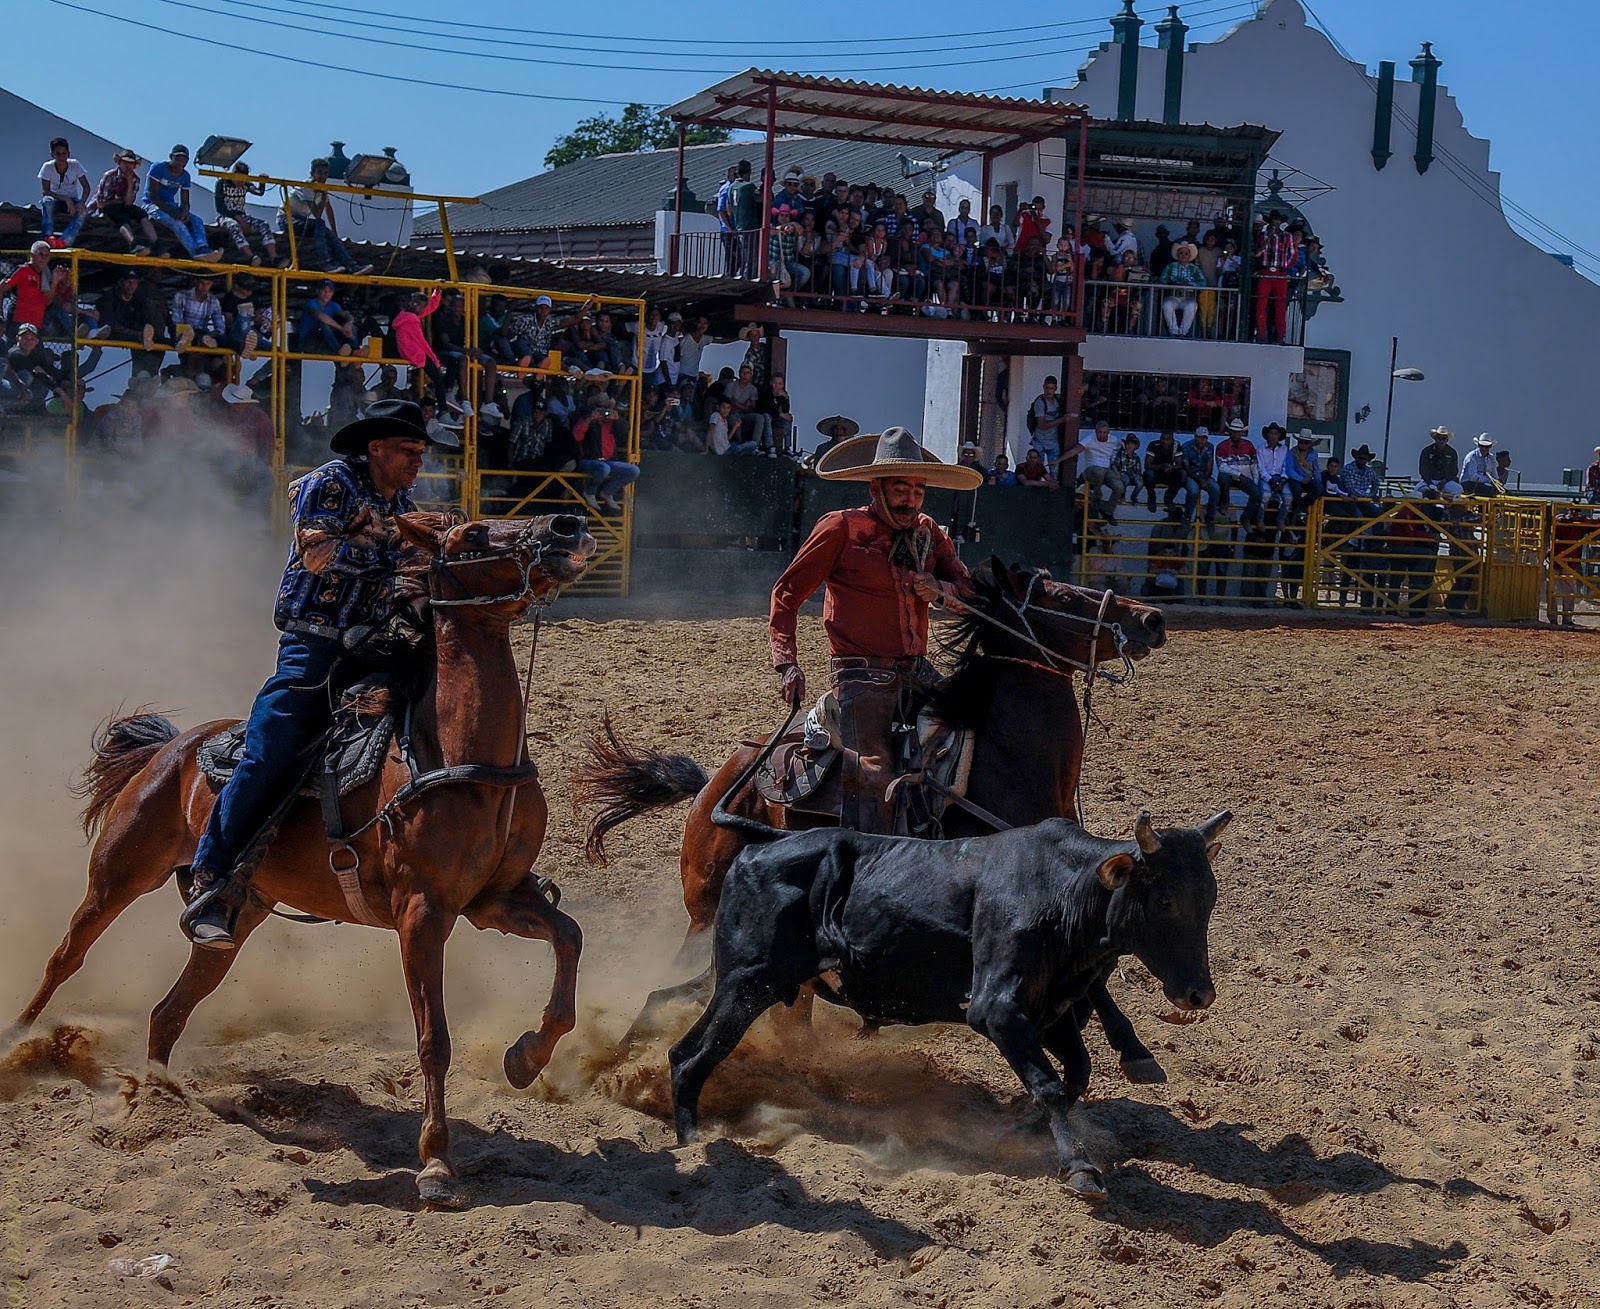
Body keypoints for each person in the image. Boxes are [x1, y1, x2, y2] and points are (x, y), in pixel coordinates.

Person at [180, 400, 459, 949]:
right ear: (376, 446)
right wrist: (397, 560)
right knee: (272, 746)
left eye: (421, 453)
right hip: (315, 641)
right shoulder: (328, 485)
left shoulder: (398, 498)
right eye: (408, 451)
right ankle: (209, 877)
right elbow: (319, 555)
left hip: (373, 641)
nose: (417, 462)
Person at [769, 427, 980, 833]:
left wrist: (941, 590)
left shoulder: (929, 533)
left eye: (918, 491)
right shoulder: (841, 528)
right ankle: (869, 868)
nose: (911, 500)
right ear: (875, 487)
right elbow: (787, 593)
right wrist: (787, 664)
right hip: (860, 677)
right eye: (901, 489)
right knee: (876, 771)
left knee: (977, 732)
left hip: (917, 672)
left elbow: (968, 592)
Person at [282, 158, 373, 275]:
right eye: (319, 173)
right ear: (312, 173)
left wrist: (334, 233)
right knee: (320, 224)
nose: (322, 176)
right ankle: (325, 263)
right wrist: (323, 195)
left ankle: (352, 266)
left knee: (327, 232)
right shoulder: (307, 187)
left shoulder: (320, 189)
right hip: (287, 220)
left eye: (325, 173)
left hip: (302, 221)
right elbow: (318, 215)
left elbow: (329, 210)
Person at [144, 145, 220, 260]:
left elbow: (185, 201)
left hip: (171, 206)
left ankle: (202, 247)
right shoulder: (158, 168)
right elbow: (152, 195)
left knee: (197, 220)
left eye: (184, 158)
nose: (181, 161)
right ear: (171, 157)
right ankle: (194, 252)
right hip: (152, 206)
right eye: (178, 157)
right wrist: (173, 213)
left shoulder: (185, 176)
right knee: (177, 223)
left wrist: (184, 213)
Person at [572, 393, 639, 511]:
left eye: (606, 407)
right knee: (604, 468)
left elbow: (625, 430)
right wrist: (589, 419)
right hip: (588, 460)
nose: (604, 411)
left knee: (634, 470)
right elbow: (576, 436)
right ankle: (590, 492)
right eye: (600, 407)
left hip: (608, 461)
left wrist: (617, 419)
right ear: (594, 407)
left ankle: (608, 492)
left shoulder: (612, 422)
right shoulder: (586, 419)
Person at [89, 148, 158, 254]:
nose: (127, 166)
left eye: (130, 163)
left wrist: (129, 183)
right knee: (121, 217)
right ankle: (133, 243)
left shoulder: (135, 179)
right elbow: (101, 203)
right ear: (119, 163)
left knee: (141, 214)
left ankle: (156, 244)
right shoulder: (109, 176)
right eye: (125, 162)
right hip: (106, 207)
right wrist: (119, 201)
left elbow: (128, 203)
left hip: (122, 205)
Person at [214, 161, 280, 265]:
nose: (241, 182)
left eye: (244, 179)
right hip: (225, 216)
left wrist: (262, 182)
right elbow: (220, 207)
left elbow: (259, 192)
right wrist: (236, 217)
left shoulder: (247, 185)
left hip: (242, 216)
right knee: (234, 225)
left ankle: (274, 257)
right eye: (238, 178)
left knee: (264, 224)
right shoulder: (222, 183)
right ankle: (251, 256)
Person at [392, 287, 447, 403]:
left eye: (423, 306)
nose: (422, 309)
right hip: (414, 353)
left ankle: (442, 404)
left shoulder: (405, 315)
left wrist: (437, 293)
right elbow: (421, 341)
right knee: (438, 379)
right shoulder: (412, 319)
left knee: (437, 378)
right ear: (412, 303)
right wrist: (434, 359)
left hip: (406, 350)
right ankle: (443, 409)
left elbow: (429, 309)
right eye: (420, 305)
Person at [1061, 421, 1123, 522]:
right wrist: (1058, 460)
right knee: (1098, 471)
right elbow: (1074, 451)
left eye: (1105, 432)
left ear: (1108, 432)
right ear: (1095, 432)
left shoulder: (1115, 440)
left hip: (1107, 469)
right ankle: (1097, 495)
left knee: (1119, 487)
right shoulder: (1089, 439)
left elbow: (1122, 452)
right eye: (1100, 432)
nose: (1102, 435)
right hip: (1091, 469)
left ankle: (1109, 513)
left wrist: (1117, 469)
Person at [1253, 210, 1299, 343]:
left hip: (1280, 273)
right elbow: (1257, 253)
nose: (1276, 222)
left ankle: (1280, 335)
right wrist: (1267, 240)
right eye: (1274, 220)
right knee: (1261, 304)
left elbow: (1293, 254)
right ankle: (1262, 334)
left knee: (1280, 305)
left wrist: (1286, 267)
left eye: (1278, 220)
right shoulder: (1263, 235)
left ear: (1281, 222)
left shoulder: (1287, 237)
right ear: (1270, 221)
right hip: (1266, 271)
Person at [38, 137, 91, 247]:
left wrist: (81, 203)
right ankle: (48, 237)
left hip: (73, 200)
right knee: (47, 201)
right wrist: (65, 199)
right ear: (52, 154)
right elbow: (46, 191)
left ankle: (65, 241)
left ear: (68, 154)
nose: (61, 157)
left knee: (83, 212)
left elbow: (86, 187)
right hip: (55, 199)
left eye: (64, 153)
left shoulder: (75, 165)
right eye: (58, 154)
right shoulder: (47, 167)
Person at [3, 325, 68, 412]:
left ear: (37, 341)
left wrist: (64, 381)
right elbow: (36, 373)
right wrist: (62, 393)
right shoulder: (15, 353)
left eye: (32, 339)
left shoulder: (34, 355)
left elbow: (51, 369)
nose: (29, 341)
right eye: (25, 338)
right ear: (18, 338)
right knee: (29, 376)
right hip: (7, 391)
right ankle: (8, 407)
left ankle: (28, 408)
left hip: (22, 393)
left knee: (47, 378)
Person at [4, 242, 57, 339]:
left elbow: (47, 302)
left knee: (38, 354)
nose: (44, 258)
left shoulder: (46, 275)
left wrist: (55, 281)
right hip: (18, 321)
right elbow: (2, 287)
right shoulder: (23, 270)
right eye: (40, 254)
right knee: (15, 352)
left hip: (36, 324)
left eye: (47, 255)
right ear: (32, 255)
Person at [1213, 419, 1262, 525]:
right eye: (1234, 431)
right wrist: (1239, 475)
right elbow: (1222, 467)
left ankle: (1245, 518)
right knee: (1222, 477)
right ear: (1230, 432)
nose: (1236, 434)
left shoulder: (1249, 445)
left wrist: (1255, 481)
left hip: (1244, 478)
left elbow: (1254, 465)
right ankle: (1224, 502)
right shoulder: (1222, 446)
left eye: (1238, 432)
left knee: (1256, 493)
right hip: (1232, 477)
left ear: (1242, 433)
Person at [1158, 241, 1206, 337]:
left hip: (1187, 297)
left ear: (1189, 256)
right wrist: (1176, 283)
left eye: (1186, 253)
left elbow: (1203, 282)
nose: (1183, 255)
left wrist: (1190, 284)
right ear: (1177, 254)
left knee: (1191, 306)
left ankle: (1183, 332)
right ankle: (1174, 331)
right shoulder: (1170, 266)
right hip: (1172, 296)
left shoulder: (1194, 269)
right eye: (1181, 253)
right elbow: (1162, 280)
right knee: (1167, 304)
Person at [171, 272, 226, 356]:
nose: (204, 287)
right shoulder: (181, 295)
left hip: (204, 333)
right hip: (184, 332)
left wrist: (213, 334)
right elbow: (177, 322)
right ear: (195, 282)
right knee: (188, 337)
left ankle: (242, 346)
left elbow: (220, 326)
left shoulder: (214, 301)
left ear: (211, 285)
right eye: (201, 282)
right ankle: (193, 340)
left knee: (224, 340)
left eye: (208, 284)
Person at [299, 278, 356, 356]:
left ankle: (356, 350)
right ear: (317, 291)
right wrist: (341, 328)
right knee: (323, 324)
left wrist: (349, 324)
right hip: (308, 342)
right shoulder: (311, 303)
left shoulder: (332, 305)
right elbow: (321, 317)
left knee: (351, 327)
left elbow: (347, 315)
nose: (327, 293)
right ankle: (339, 351)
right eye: (324, 290)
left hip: (324, 341)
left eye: (330, 291)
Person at [725, 363, 770, 452]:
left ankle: (754, 445)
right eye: (743, 372)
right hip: (731, 414)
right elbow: (727, 405)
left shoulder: (752, 389)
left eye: (748, 373)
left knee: (759, 418)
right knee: (734, 420)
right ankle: (738, 443)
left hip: (744, 414)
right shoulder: (731, 386)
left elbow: (752, 408)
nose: (745, 375)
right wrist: (745, 405)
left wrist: (737, 404)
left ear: (751, 375)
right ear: (739, 373)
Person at [1179, 426, 1219, 526]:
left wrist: (1204, 479)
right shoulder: (1186, 446)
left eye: (1205, 438)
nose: (1203, 440)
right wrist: (1201, 480)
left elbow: (1209, 467)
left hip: (1204, 475)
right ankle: (1187, 516)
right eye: (1200, 437)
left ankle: (1210, 516)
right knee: (1193, 491)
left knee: (1216, 489)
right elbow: (1186, 467)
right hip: (1190, 475)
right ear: (1195, 437)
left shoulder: (1210, 447)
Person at [1025, 374, 1065, 468]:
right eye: (1047, 388)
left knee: (1055, 470)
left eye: (1052, 388)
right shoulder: (1040, 402)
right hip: (1040, 440)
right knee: (1038, 468)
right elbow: (1042, 425)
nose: (1049, 391)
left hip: (1053, 441)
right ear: (1043, 387)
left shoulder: (1058, 400)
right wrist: (1061, 420)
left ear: (1056, 388)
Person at [1143, 429, 1186, 513]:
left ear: (1172, 440)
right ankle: (1151, 498)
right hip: (1156, 473)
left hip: (1169, 473)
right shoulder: (1153, 445)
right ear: (1160, 438)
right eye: (1163, 439)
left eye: (1168, 440)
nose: (1165, 442)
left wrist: (1171, 468)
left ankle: (1169, 498)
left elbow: (1179, 464)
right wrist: (1161, 466)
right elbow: (1147, 465)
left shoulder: (1176, 446)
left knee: (1182, 474)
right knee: (1148, 474)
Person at [1416, 425, 1463, 499]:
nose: (1441, 441)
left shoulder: (1452, 452)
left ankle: (1451, 508)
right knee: (1418, 490)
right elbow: (1422, 470)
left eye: (1443, 439)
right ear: (1435, 439)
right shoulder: (1427, 451)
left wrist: (1445, 481)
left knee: (1458, 489)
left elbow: (1454, 470)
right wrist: (1430, 483)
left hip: (1445, 481)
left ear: (1447, 440)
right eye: (1439, 438)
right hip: (1428, 481)